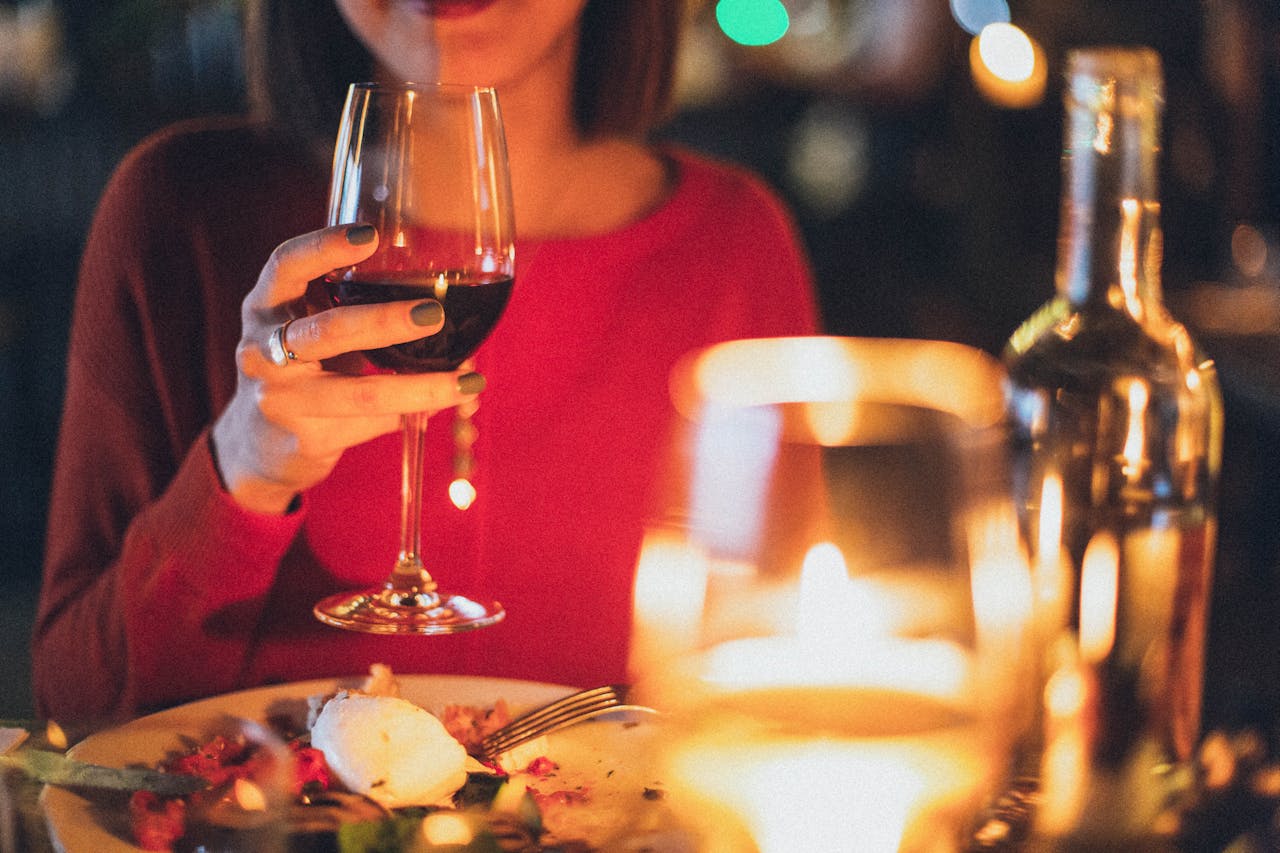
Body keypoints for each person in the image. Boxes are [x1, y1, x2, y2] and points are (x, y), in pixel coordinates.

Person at [33, 0, 819, 720]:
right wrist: (240, 474)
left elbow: (781, 698)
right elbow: (80, 707)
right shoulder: (176, 211)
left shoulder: (734, 250)